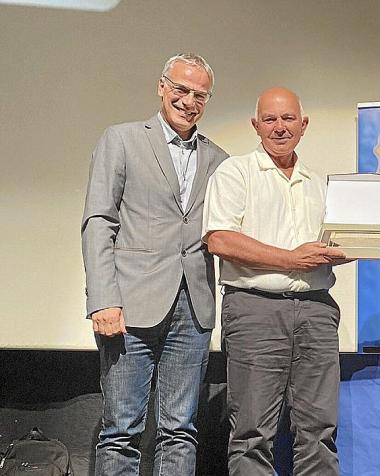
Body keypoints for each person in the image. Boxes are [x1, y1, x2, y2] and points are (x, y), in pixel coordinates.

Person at [81, 53, 228, 475]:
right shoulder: (122, 139)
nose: (189, 101)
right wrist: (103, 299)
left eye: (200, 94)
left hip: (194, 306)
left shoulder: (218, 158)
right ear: (162, 86)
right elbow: (98, 222)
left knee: (180, 430)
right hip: (129, 304)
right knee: (121, 430)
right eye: (181, 89)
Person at [203, 87, 344, 475]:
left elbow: (332, 246)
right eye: (270, 119)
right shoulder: (235, 172)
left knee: (319, 431)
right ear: (255, 125)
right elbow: (220, 239)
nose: (279, 127)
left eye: (287, 119)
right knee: (252, 434)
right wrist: (290, 259)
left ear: (304, 124)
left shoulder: (320, 183)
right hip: (255, 311)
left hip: (316, 310)